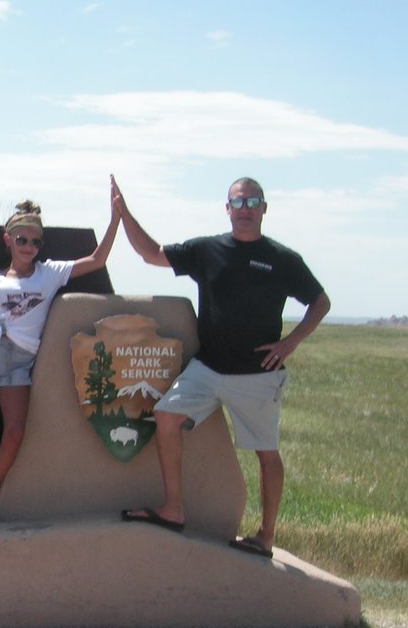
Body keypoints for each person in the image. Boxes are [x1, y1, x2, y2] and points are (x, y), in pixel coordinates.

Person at [113, 175, 330, 557]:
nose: (245, 210)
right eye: (238, 203)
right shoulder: (207, 250)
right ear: (227, 209)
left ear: (264, 208)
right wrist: (124, 213)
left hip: (258, 374)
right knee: (166, 416)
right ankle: (173, 509)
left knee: (266, 453)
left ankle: (265, 535)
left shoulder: (283, 260)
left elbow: (320, 301)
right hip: (208, 368)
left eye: (252, 202)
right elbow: (151, 254)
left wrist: (291, 342)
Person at [0, 183, 121, 528]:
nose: (29, 247)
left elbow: (97, 260)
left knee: (13, 433)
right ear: (7, 240)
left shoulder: (50, 272)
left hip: (23, 359)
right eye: (22, 240)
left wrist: (116, 218)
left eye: (35, 241)